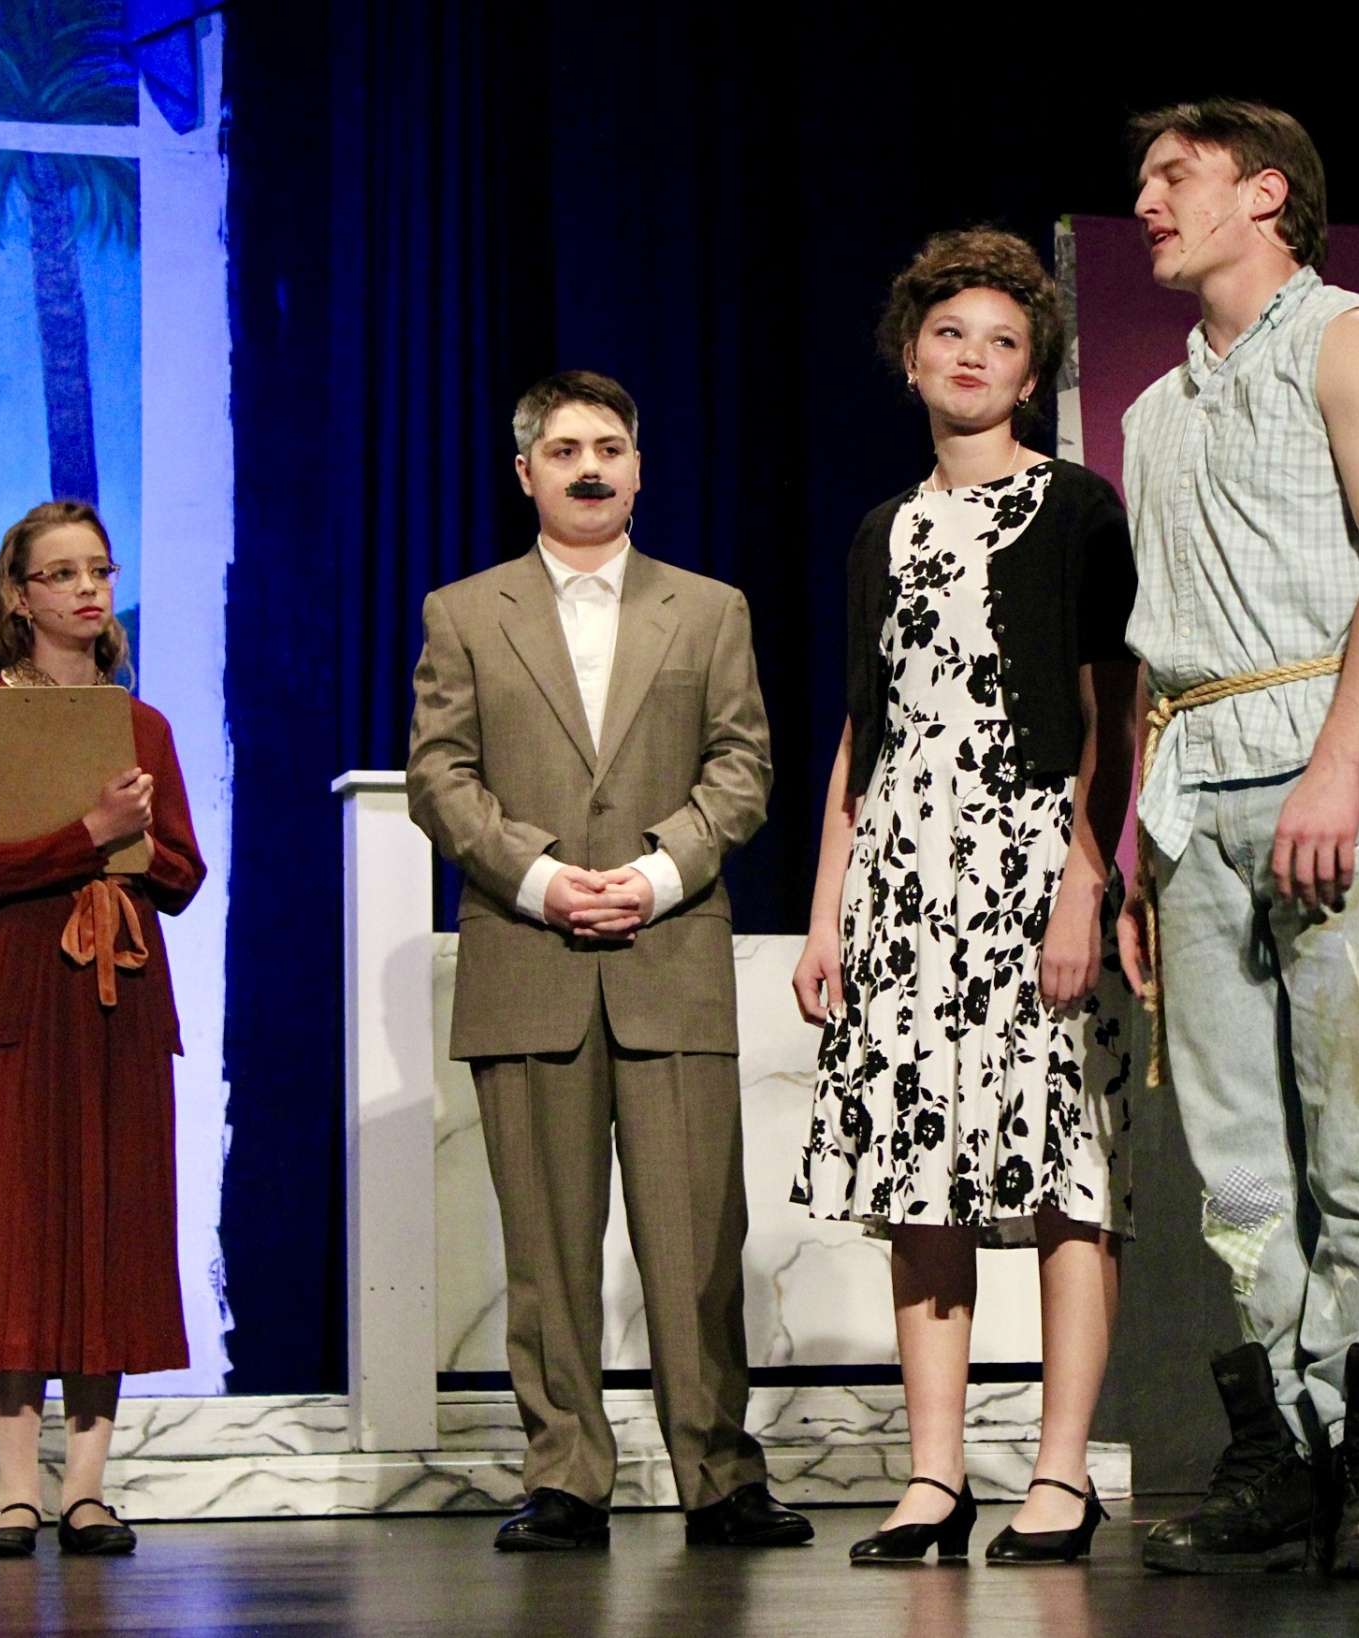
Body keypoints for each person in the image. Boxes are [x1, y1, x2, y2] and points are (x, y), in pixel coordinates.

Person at [1114, 100, 1359, 1579]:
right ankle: (1294, 1452)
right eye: (1140, 181)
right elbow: (1155, 647)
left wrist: (1336, 764)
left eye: (1171, 176)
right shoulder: (1148, 409)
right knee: (1240, 1163)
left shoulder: (1356, 335)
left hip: (1343, 763)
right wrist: (1139, 839)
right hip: (1193, 791)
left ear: (1266, 195)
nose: (1143, 201)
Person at [407, 371, 810, 1552]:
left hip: (668, 948)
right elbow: (439, 775)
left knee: (695, 1246)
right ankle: (567, 1475)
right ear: (524, 471)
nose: (590, 465)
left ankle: (718, 1471)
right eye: (566, 447)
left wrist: (652, 873)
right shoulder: (463, 611)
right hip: (527, 954)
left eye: (611, 446)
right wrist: (537, 877)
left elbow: (742, 766)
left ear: (639, 468)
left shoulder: (711, 608)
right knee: (544, 1251)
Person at [791, 228, 1139, 1566]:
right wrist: (830, 908)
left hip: (1033, 864)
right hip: (903, 880)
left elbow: (1116, 699)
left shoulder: (1079, 507)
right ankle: (933, 1476)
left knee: (1065, 1172)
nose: (973, 358)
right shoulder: (886, 526)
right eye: (951, 336)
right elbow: (862, 730)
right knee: (919, 1175)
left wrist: (1083, 880)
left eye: (1001, 340)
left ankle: (1059, 1472)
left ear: (1033, 367)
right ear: (911, 355)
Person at [0, 501, 205, 1559]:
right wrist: (84, 835)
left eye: (99, 569)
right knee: (19, 1228)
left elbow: (184, 876)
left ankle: (87, 1489)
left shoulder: (144, 729)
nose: (88, 589)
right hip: (28, 990)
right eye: (61, 574)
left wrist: (134, 845)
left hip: (123, 991)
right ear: (20, 597)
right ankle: (15, 1490)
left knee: (110, 1220)